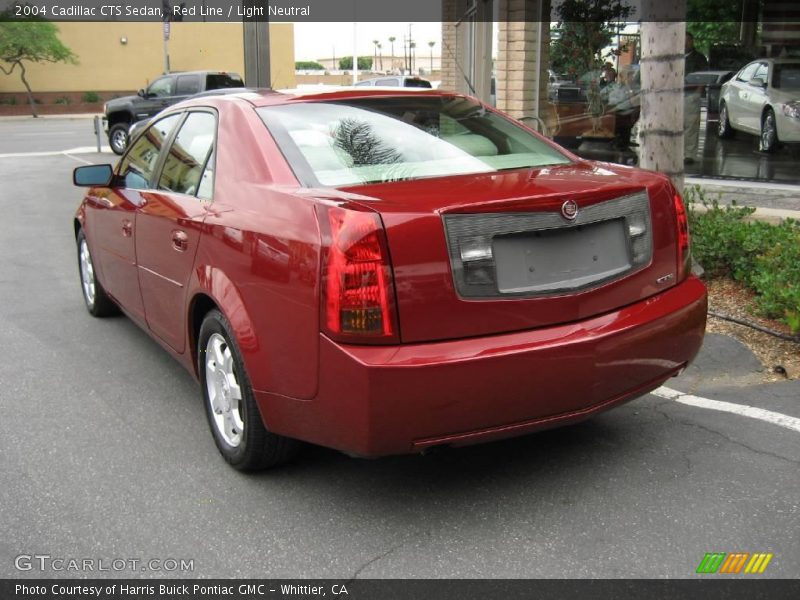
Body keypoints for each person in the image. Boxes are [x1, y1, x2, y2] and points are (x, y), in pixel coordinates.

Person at [684, 33, 708, 164]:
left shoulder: (699, 58)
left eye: (688, 41)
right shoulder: (675, 57)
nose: (685, 43)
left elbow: (704, 76)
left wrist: (698, 92)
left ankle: (689, 154)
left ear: (692, 42)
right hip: (675, 94)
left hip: (691, 94)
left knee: (691, 125)